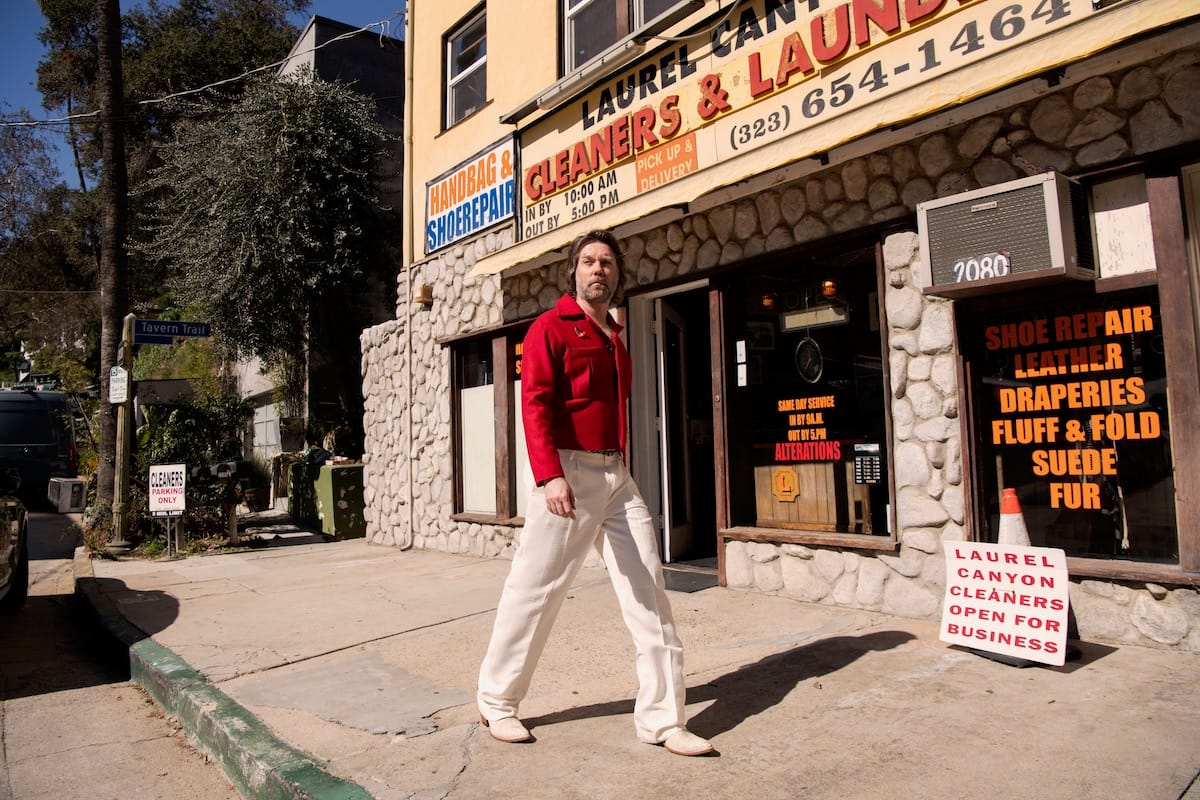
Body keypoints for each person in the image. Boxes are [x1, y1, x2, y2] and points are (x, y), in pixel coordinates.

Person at [476, 229, 714, 757]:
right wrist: (548, 475)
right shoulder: (549, 329)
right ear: (574, 273)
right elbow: (534, 405)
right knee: (536, 592)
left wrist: (618, 468)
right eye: (588, 262)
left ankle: (663, 719)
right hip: (567, 474)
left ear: (617, 275)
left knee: (649, 591)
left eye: (607, 262)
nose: (598, 270)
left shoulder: (614, 334)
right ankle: (497, 702)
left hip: (616, 477)